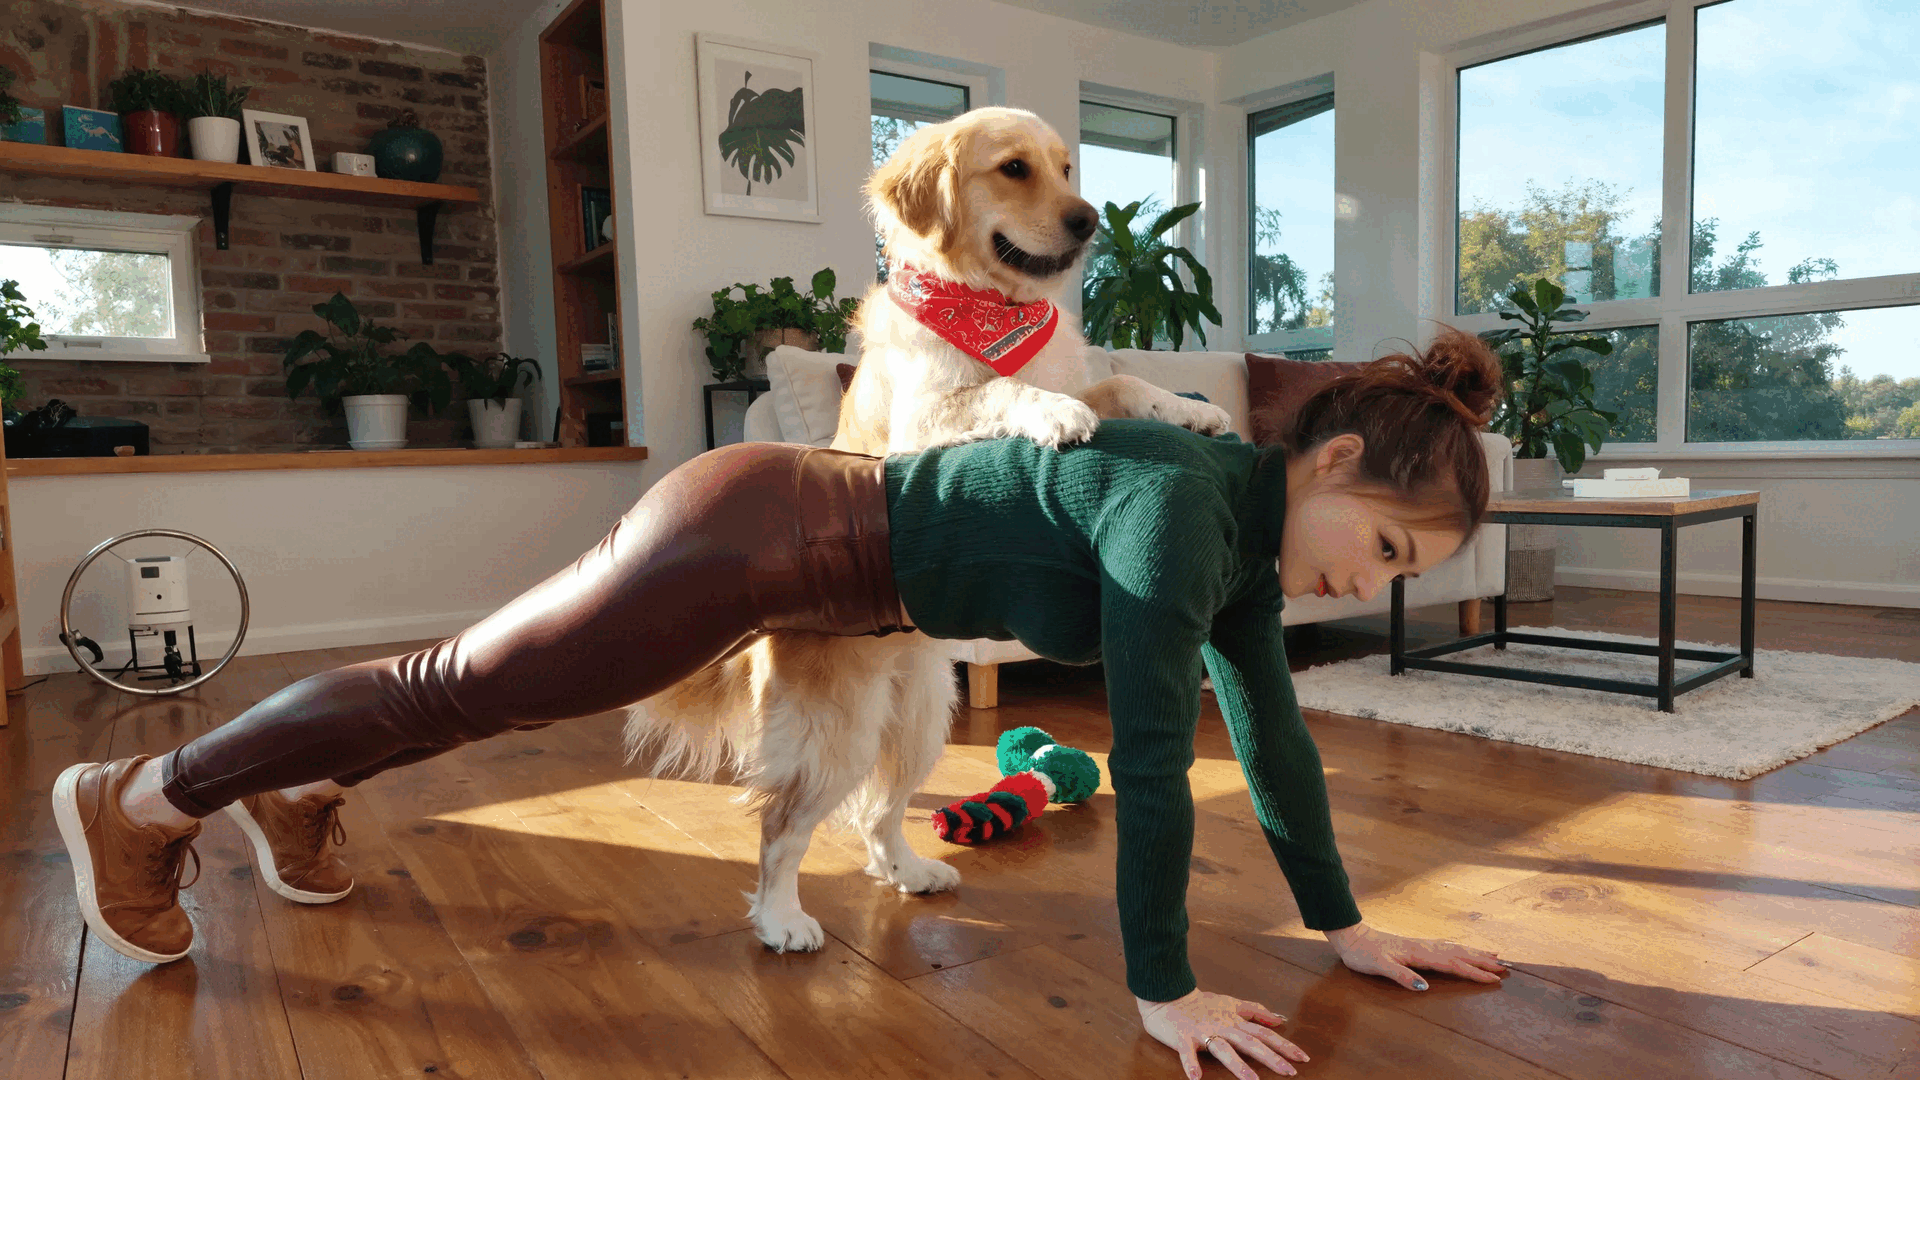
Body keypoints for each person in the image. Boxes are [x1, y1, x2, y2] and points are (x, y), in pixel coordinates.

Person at [54, 328, 1512, 1080]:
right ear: (1327, 469)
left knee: (483, 692)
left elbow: (1268, 739)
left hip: (809, 567)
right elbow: (1145, 748)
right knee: (473, 685)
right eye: (1384, 548)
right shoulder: (1180, 510)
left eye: (1402, 576)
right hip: (758, 541)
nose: (1367, 584)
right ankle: (136, 800)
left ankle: (300, 785)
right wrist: (1162, 991)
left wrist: (1348, 926)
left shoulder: (1243, 541)